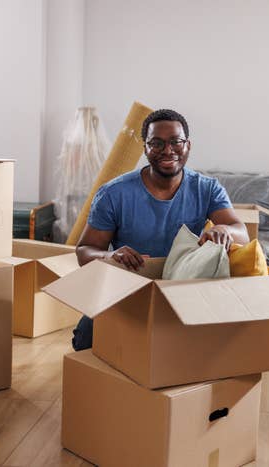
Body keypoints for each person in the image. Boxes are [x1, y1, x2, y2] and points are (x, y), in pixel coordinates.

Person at [71, 109, 248, 351]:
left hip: (184, 286)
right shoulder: (114, 194)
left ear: (188, 145)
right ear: (145, 147)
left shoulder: (206, 188)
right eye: (157, 143)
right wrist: (110, 256)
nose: (168, 150)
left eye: (176, 141)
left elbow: (242, 232)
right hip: (128, 287)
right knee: (84, 341)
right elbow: (84, 252)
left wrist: (224, 231)